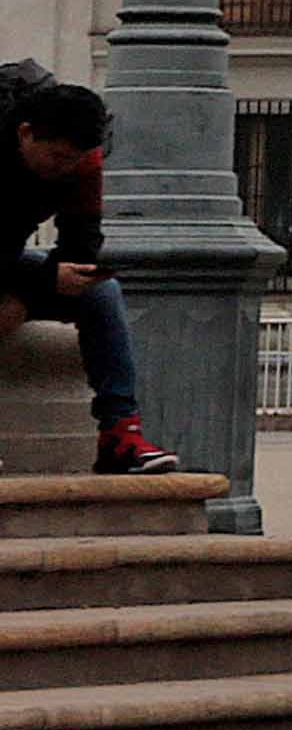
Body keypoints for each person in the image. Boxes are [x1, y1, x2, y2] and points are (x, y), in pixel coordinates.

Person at [0, 69, 179, 475]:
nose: (67, 168)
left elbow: (81, 244)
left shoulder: (83, 158)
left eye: (76, 158)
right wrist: (40, 282)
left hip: (8, 262)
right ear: (25, 133)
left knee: (101, 292)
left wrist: (28, 293)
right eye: (59, 157)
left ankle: (120, 434)